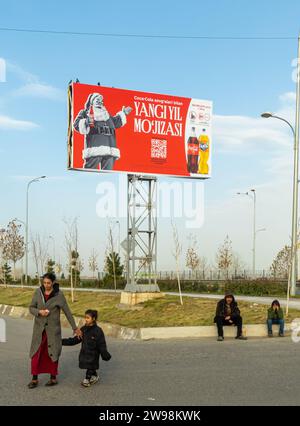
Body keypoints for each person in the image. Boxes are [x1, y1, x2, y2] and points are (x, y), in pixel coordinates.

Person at [28, 272, 81, 389]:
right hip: (39, 330)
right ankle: (34, 379)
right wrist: (39, 312)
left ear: (53, 283)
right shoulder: (38, 293)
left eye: (48, 283)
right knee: (36, 353)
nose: (46, 285)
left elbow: (67, 312)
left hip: (53, 331)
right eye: (44, 283)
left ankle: (53, 378)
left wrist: (75, 328)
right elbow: (31, 307)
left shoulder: (59, 295)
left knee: (53, 353)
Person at [62, 309, 111, 387]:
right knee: (89, 365)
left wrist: (104, 353)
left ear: (93, 319)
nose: (86, 319)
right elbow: (75, 340)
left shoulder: (98, 331)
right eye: (85, 317)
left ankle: (87, 379)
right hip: (85, 352)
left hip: (94, 353)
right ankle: (94, 376)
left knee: (90, 365)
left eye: (88, 318)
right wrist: (61, 342)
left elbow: (102, 344)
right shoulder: (83, 329)